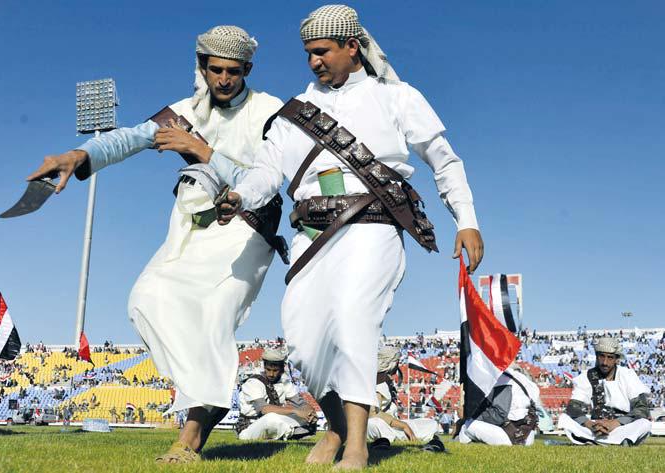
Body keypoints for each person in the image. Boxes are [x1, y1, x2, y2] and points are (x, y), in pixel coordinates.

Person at [213, 5, 483, 469]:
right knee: (302, 337)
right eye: (308, 54)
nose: (314, 61)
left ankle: (355, 443)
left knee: (354, 318)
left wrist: (467, 217)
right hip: (309, 233)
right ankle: (336, 426)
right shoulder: (292, 115)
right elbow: (266, 172)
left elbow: (444, 159)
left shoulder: (397, 98)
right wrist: (241, 196)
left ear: (351, 46)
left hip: (372, 225)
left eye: (322, 52)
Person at [26, 25, 283, 463]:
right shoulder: (184, 111)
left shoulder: (270, 111)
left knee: (214, 316)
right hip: (186, 227)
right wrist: (79, 156)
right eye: (215, 69)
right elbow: (128, 138)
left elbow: (267, 179)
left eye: (234, 72)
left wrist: (200, 151)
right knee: (146, 299)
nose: (223, 79)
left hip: (245, 226)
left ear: (247, 70)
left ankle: (192, 432)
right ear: (202, 66)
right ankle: (210, 395)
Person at [557, 338, 652, 446]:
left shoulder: (627, 375)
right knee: (565, 419)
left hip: (621, 426)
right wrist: (590, 425)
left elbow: (642, 408)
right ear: (597, 356)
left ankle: (594, 442)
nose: (605, 362)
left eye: (610, 358)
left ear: (616, 359)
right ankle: (615, 442)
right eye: (601, 356)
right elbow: (573, 406)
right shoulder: (586, 376)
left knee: (644, 424)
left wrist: (615, 423)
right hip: (595, 428)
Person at [235, 347, 317, 441]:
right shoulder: (253, 382)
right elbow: (264, 409)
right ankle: (294, 432)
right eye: (268, 369)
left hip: (275, 421)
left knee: (304, 417)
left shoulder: (284, 381)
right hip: (250, 427)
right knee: (271, 418)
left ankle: (287, 432)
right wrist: (295, 411)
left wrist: (310, 412)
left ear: (282, 369)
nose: (271, 374)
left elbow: (300, 402)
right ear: (264, 367)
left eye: (275, 371)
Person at [366, 347, 441, 449]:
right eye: (397, 362)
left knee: (430, 423)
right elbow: (373, 413)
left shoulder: (387, 379)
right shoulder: (377, 381)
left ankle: (398, 436)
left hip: (394, 425)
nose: (398, 365)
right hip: (382, 423)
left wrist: (403, 425)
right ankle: (387, 439)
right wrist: (403, 426)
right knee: (374, 424)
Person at [458, 364, 541, 446]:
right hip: (528, 436)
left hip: (511, 437)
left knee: (467, 426)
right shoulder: (522, 378)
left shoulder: (501, 379)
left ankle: (460, 451)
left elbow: (499, 415)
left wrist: (472, 417)